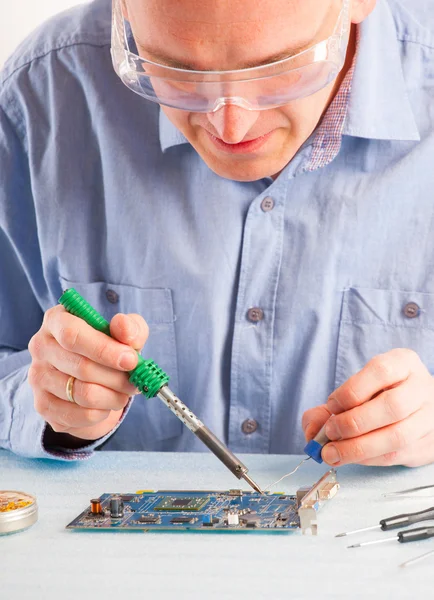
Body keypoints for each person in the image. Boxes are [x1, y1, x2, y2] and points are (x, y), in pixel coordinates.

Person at [1, 0, 434, 469]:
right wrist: (43, 403)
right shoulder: (42, 95)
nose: (231, 126)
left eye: (277, 66)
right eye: (177, 70)